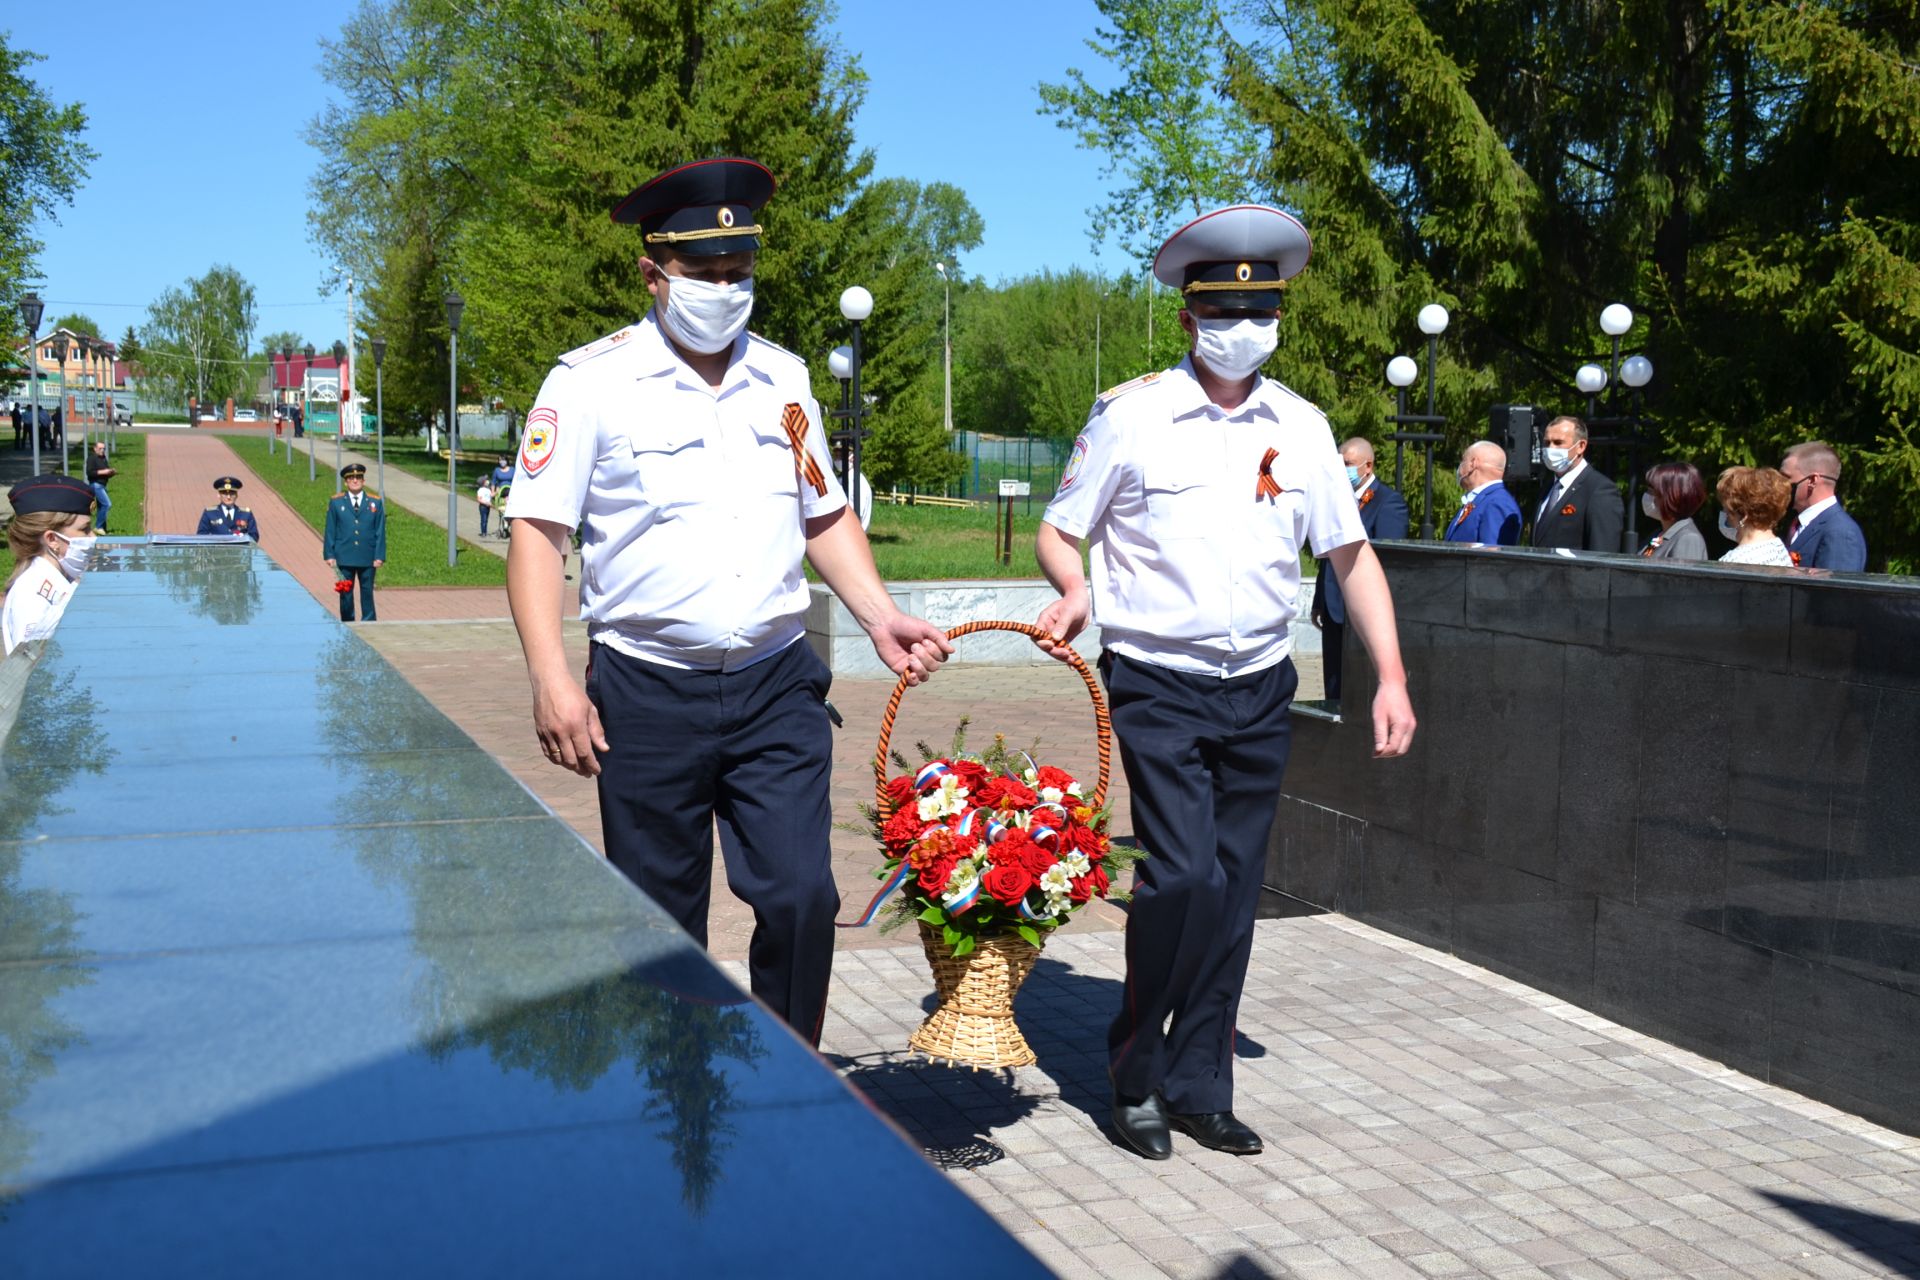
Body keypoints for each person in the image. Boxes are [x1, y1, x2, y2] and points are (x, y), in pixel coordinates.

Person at [502, 156, 952, 1047]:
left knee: (801, 895)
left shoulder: (785, 380)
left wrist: (878, 613)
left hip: (773, 685)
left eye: (737, 273)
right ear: (652, 274)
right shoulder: (590, 383)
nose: (723, 290)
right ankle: (678, 1107)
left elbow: (823, 513)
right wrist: (553, 680)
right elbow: (536, 537)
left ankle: (786, 1092)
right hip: (645, 691)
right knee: (661, 925)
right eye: (702, 274)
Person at [1032, 205, 1416, 1161]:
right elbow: (1058, 527)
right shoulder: (1135, 415)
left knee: (1236, 889)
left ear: (1278, 316)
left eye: (1261, 311)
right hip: (1158, 681)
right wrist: (1076, 586)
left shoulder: (1302, 425)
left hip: (1257, 687)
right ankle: (1135, 1073)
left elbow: (1350, 556)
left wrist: (1391, 676)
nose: (1241, 330)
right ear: (1188, 317)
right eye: (1220, 312)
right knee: (1180, 877)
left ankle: (1202, 1082)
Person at [1311, 437, 1408, 701]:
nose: (1343, 469)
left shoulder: (1388, 503)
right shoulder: (1336, 499)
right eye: (1339, 463)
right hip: (1333, 606)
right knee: (1334, 678)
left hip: (1361, 607)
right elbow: (1328, 554)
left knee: (1358, 683)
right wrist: (1319, 600)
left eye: (1348, 464)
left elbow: (1386, 558)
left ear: (1368, 466)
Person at [4, 474, 95, 656]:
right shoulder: (31, 595)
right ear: (52, 539)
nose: (92, 537)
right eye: (84, 529)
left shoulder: (60, 578)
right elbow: (30, 670)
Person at [1530, 415, 1624, 552]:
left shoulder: (1599, 490)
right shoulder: (1548, 486)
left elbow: (1602, 553)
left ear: (1580, 446)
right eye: (1547, 443)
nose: (1550, 448)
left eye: (1558, 442)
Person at [1779, 441, 1868, 571]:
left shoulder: (1841, 533)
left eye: (1786, 478)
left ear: (1812, 481)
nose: (1779, 484)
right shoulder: (1798, 524)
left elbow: (1835, 590)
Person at [323, 463, 386, 621]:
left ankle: (369, 621)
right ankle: (348, 622)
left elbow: (380, 531)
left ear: (363, 481)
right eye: (351, 478)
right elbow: (331, 529)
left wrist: (379, 555)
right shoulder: (336, 502)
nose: (355, 481)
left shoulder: (375, 502)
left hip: (367, 556)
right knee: (345, 593)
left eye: (358, 477)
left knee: (367, 591)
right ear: (346, 482)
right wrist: (329, 554)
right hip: (344, 555)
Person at [1446, 440, 1524, 546]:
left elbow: (1492, 557)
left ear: (1473, 463)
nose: (1460, 466)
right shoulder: (1481, 500)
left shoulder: (1497, 503)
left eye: (1463, 460)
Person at [1716, 466, 1795, 567]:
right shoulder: (1778, 547)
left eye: (1727, 510)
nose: (1725, 514)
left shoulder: (1734, 562)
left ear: (1744, 515)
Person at [1638, 461, 1708, 560]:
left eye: (1652, 492)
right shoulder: (1659, 535)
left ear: (1673, 496)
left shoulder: (1688, 539)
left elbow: (1683, 574)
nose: (1647, 496)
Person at [196, 476, 261, 541]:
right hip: (217, 549)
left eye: (232, 494)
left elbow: (254, 536)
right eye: (225, 494)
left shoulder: (246, 514)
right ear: (218, 495)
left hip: (239, 550)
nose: (228, 497)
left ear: (237, 495)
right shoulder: (209, 513)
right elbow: (201, 535)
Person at [85, 440, 116, 534]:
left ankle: (103, 529)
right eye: (100, 448)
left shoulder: (103, 458)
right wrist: (104, 472)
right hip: (96, 485)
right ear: (95, 449)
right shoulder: (91, 458)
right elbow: (90, 473)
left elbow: (106, 472)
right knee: (107, 504)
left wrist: (111, 473)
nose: (102, 450)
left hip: (103, 484)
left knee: (101, 506)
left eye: (104, 448)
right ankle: (98, 526)